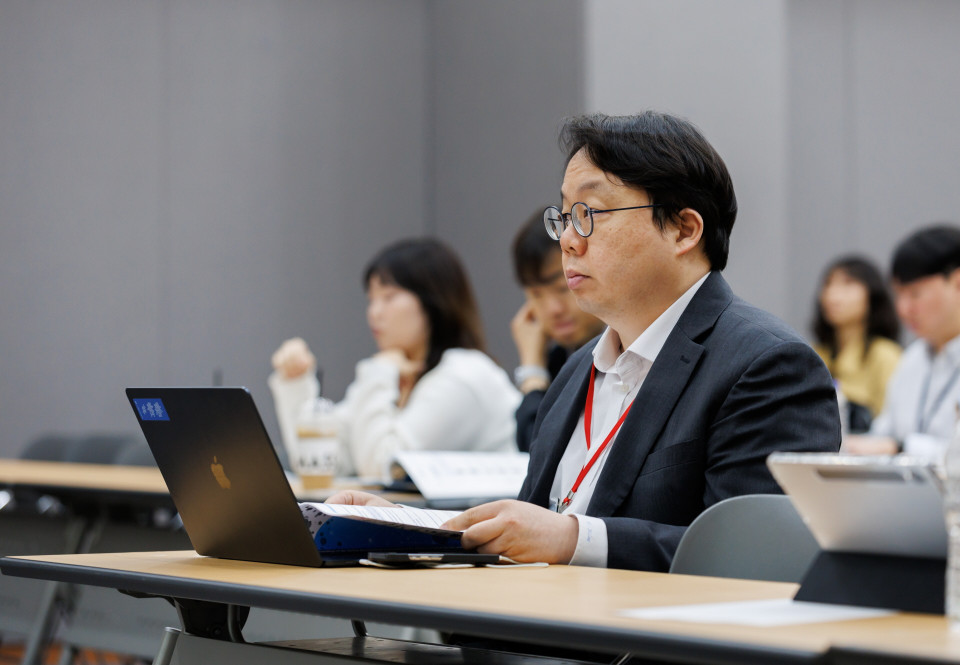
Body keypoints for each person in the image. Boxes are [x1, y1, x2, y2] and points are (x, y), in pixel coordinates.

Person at [328, 111, 841, 572]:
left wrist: (575, 540)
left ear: (684, 230)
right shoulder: (578, 370)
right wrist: (413, 526)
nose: (569, 241)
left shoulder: (767, 365)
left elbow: (752, 561)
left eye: (589, 214)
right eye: (565, 216)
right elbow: (533, 528)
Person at [270, 238, 520, 480]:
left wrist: (380, 370)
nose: (374, 312)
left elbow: (380, 466)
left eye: (388, 297)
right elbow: (323, 462)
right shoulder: (398, 371)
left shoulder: (463, 374)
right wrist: (296, 383)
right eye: (371, 300)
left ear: (433, 301)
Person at [843, 225, 960, 459]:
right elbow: (883, 435)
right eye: (898, 294)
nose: (903, 309)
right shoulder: (913, 358)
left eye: (914, 294)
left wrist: (902, 448)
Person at [510, 211, 606, 452]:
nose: (553, 309)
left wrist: (532, 373)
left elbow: (545, 451)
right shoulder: (559, 358)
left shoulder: (617, 351)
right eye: (536, 294)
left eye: (562, 288)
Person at [811, 255, 902, 432]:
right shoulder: (815, 354)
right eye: (828, 284)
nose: (832, 295)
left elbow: (893, 426)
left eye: (848, 284)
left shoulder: (886, 355)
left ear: (872, 294)